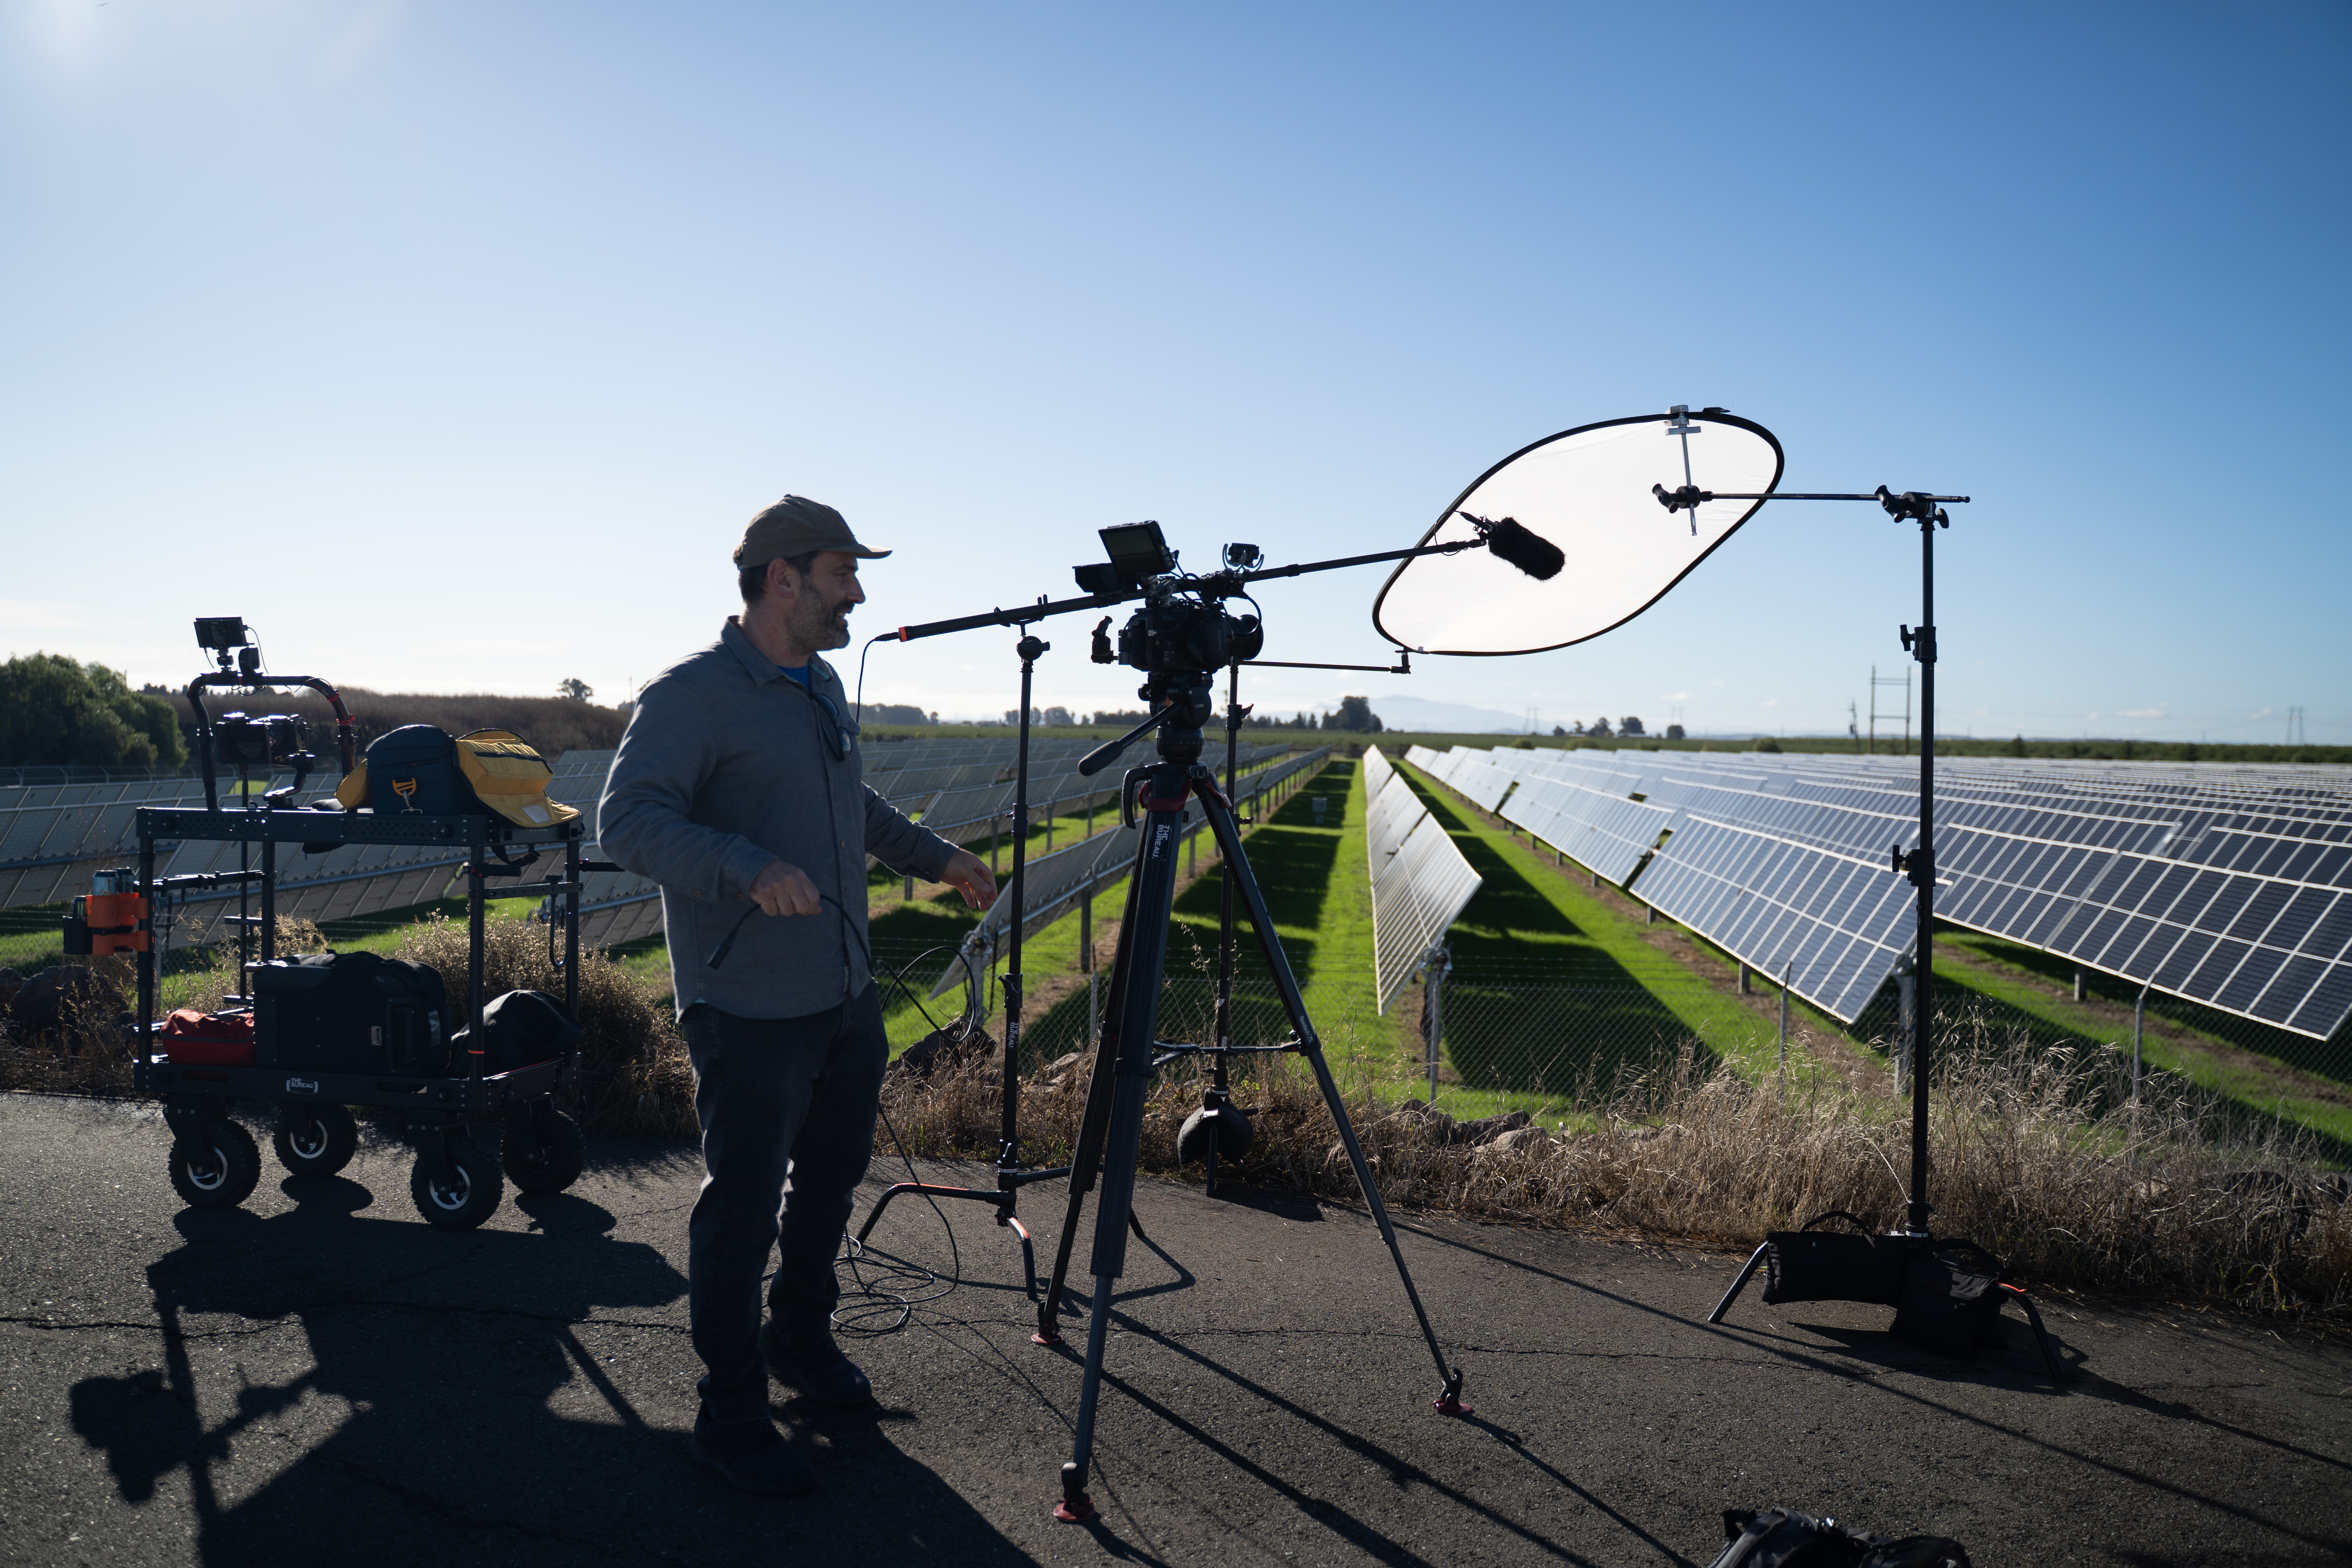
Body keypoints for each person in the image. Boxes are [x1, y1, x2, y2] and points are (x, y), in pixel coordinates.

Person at [599, 495, 995, 1495]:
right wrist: (745, 863)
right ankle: (729, 1411)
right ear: (784, 579)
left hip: (842, 990)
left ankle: (799, 1336)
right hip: (747, 1005)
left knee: (831, 1178)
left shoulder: (816, 681)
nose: (856, 593)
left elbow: (849, 800)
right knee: (743, 1209)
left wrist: (938, 856)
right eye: (842, 572)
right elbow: (628, 820)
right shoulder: (693, 694)